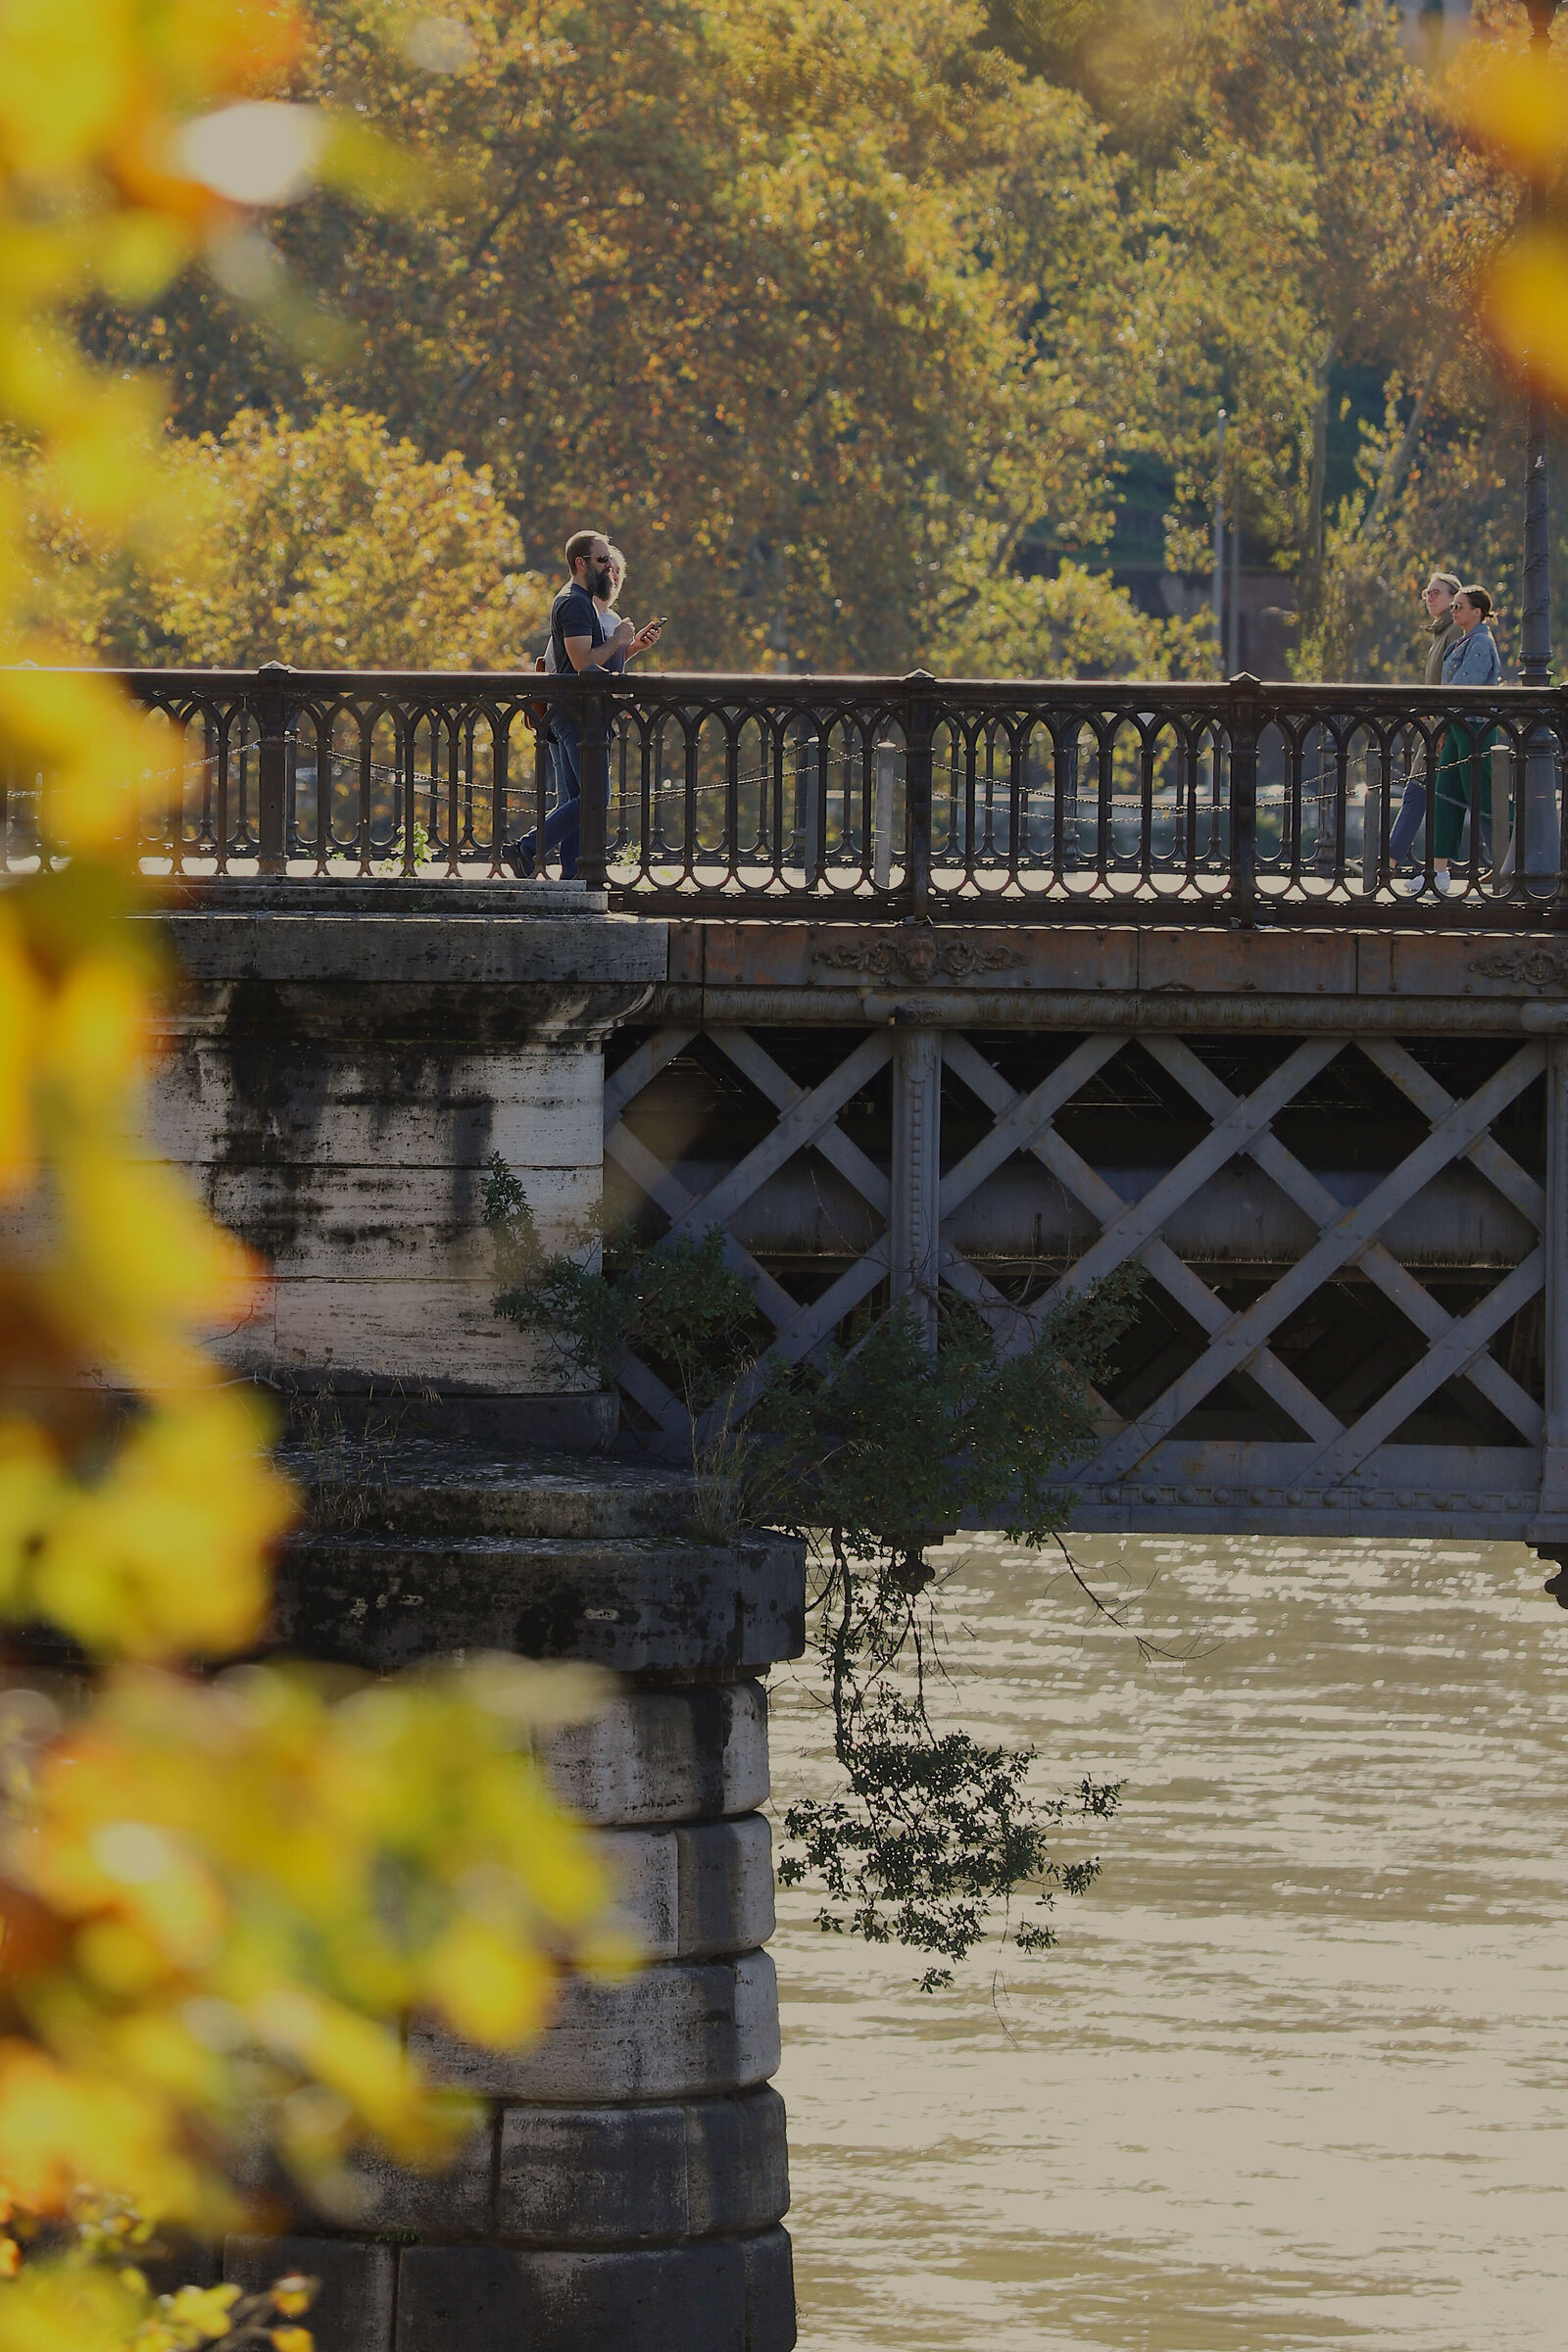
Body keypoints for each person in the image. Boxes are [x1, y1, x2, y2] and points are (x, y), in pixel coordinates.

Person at [509, 530, 662, 878]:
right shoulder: (575, 602)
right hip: (576, 715)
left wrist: (629, 647)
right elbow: (583, 663)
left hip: (572, 713)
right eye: (602, 559)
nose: (609, 566)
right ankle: (527, 848)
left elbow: (595, 663)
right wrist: (619, 639)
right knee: (595, 796)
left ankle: (572, 876)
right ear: (581, 563)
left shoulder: (578, 600)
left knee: (576, 800)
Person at [1403, 584, 1502, 899]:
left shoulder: (1481, 643)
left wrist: (1440, 716)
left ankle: (1517, 861)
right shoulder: (1464, 641)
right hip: (1457, 727)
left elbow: (1462, 687)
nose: (1453, 611)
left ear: (1477, 611)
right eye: (1454, 606)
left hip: (1474, 730)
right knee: (1445, 796)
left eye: (1459, 606)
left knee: (1485, 797)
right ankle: (1438, 871)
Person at [1386, 571, 1464, 876]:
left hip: (1443, 731)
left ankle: (1389, 863)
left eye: (1436, 593)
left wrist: (1442, 726)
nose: (1429, 598)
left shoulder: (1453, 632)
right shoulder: (1439, 634)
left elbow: (1453, 685)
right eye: (1427, 593)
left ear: (1453, 599)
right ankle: (1389, 862)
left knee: (1433, 794)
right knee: (1421, 793)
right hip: (1434, 729)